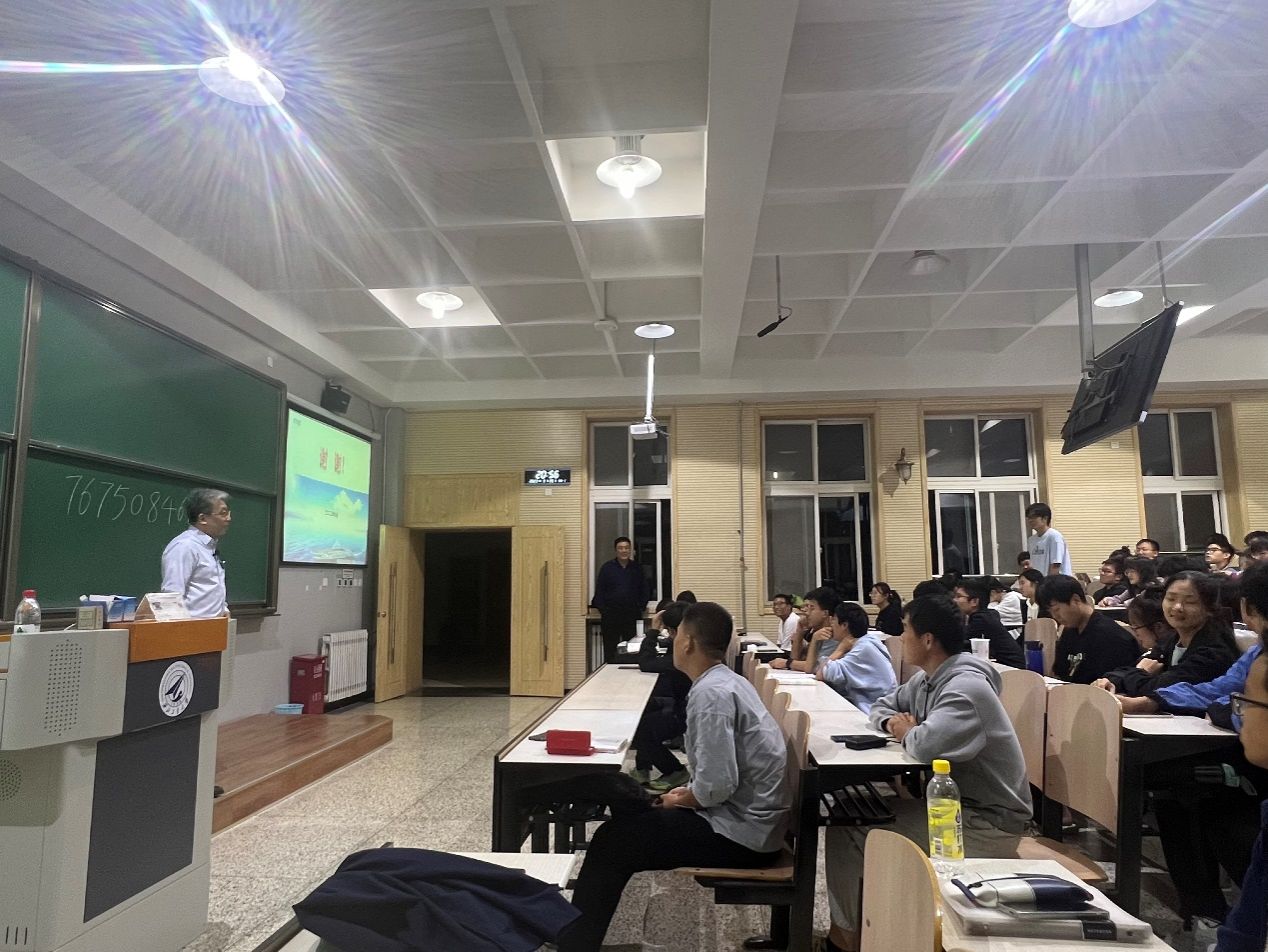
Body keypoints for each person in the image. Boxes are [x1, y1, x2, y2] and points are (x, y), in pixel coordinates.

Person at [557, 602, 790, 952]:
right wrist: (683, 795)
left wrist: (682, 799)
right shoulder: (728, 681)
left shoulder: (710, 695)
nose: (673, 639)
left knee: (611, 842)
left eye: (676, 633)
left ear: (687, 642)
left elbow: (716, 787)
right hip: (747, 821)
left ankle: (574, 945)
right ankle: (574, 934)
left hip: (742, 836)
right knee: (627, 805)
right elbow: (717, 779)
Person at [822, 593, 1031, 952]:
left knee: (851, 828)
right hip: (956, 807)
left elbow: (923, 745)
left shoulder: (966, 689)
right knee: (851, 813)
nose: (900, 637)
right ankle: (870, 931)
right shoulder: (928, 680)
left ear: (928, 639)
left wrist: (909, 731)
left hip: (988, 823)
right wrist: (896, 723)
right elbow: (882, 705)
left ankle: (845, 941)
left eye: (905, 629)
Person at [1092, 576, 1239, 698]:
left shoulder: (1214, 652)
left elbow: (1162, 690)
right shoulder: (1173, 640)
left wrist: (1140, 672)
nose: (1177, 607)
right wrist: (1108, 680)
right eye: (1171, 599)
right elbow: (1126, 669)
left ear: (1209, 608)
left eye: (1190, 602)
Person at [631, 601, 692, 791]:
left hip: (683, 712)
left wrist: (652, 631)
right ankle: (642, 768)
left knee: (639, 730)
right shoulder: (689, 646)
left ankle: (675, 771)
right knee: (643, 712)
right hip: (678, 702)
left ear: (674, 631)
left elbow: (646, 663)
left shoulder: (686, 655)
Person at [1037, 574, 1140, 683]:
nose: (1055, 616)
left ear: (1076, 599)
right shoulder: (1069, 630)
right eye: (1050, 612)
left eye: (1056, 610)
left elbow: (1114, 683)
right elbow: (1060, 672)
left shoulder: (1112, 636)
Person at [161, 488, 231, 618]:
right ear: (202, 518)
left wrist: (223, 609)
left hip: (215, 625)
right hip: (192, 627)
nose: (228, 518)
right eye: (223, 513)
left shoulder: (209, 547)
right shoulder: (185, 546)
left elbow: (210, 587)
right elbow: (172, 596)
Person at [816, 602, 897, 713]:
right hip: (873, 706)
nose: (831, 624)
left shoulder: (863, 648)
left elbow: (822, 673)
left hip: (875, 711)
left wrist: (840, 650)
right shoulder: (866, 641)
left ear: (844, 625)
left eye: (834, 619)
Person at [591, 537, 649, 663]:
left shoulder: (637, 568)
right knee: (610, 650)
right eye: (620, 548)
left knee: (632, 649)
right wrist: (604, 610)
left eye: (626, 548)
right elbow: (600, 592)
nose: (624, 551)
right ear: (616, 550)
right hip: (611, 616)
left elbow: (644, 589)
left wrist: (641, 606)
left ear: (631, 550)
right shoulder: (607, 568)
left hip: (631, 615)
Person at [953, 578, 1024, 668]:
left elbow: (960, 644)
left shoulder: (981, 619)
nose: (954, 600)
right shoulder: (985, 616)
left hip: (1011, 669)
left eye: (959, 596)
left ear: (974, 601)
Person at [770, 586, 840, 672]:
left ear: (825, 613)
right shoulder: (816, 631)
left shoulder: (834, 635)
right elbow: (796, 658)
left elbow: (816, 666)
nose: (806, 612)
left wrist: (787, 663)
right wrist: (799, 631)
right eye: (806, 607)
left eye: (811, 607)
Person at [1025, 502, 1073, 576]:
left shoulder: (1054, 536)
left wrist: (1049, 582)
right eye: (1029, 517)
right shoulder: (1031, 540)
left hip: (1057, 581)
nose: (1030, 520)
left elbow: (1055, 565)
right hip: (1039, 581)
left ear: (1045, 518)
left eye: (1033, 517)